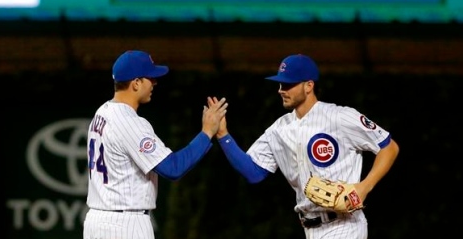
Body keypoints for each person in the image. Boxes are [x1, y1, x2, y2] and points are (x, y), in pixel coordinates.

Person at [210, 53, 399, 239]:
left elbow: (389, 147)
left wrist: (364, 187)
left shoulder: (339, 117)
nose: (281, 89)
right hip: (310, 228)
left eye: (288, 84)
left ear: (309, 86)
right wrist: (223, 135)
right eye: (280, 84)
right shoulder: (278, 130)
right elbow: (253, 172)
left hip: (345, 225)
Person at [83, 50, 228, 239]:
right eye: (150, 78)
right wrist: (207, 132)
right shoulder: (130, 122)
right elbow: (173, 168)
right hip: (125, 225)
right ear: (136, 83)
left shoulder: (102, 112)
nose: (155, 82)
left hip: (96, 221)